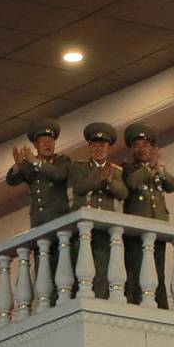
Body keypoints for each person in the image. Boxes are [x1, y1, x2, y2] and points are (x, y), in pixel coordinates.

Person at [68, 122, 128, 299]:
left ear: (109, 147)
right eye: (94, 145)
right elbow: (79, 187)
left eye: (102, 145)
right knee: (80, 262)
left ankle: (100, 297)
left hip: (104, 226)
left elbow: (123, 193)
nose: (98, 148)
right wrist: (99, 177)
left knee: (103, 264)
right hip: (85, 226)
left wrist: (109, 181)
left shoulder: (116, 171)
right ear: (89, 147)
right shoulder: (79, 166)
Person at [121, 123, 174, 308]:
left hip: (157, 225)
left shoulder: (156, 169)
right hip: (137, 228)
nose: (142, 149)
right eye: (137, 145)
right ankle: (135, 301)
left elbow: (172, 186)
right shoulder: (128, 168)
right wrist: (148, 168)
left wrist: (159, 170)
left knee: (158, 268)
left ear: (152, 148)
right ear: (131, 149)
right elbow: (132, 183)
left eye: (145, 145)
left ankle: (160, 304)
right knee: (136, 267)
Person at [6, 118, 72, 228]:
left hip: (59, 219)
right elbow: (11, 181)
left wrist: (36, 162)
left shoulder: (61, 160)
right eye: (44, 141)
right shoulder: (29, 164)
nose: (48, 145)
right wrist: (18, 165)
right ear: (36, 145)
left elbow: (59, 174)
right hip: (38, 222)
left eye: (50, 141)